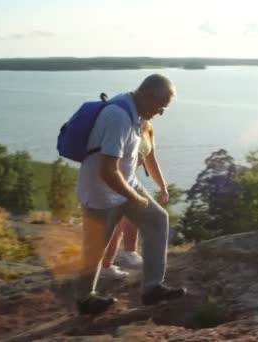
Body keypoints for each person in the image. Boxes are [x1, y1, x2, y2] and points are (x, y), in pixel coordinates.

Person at [76, 74, 186, 315]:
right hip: (101, 193)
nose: (161, 112)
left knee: (157, 220)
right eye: (161, 106)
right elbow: (107, 171)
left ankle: (152, 289)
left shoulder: (135, 111)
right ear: (147, 96)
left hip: (126, 184)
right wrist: (134, 197)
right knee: (96, 248)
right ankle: (85, 300)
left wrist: (138, 191)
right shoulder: (117, 117)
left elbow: (136, 158)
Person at [100, 120, 168, 280]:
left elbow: (151, 160)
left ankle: (127, 253)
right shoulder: (125, 124)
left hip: (129, 179)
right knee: (115, 225)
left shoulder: (148, 128)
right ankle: (105, 266)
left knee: (132, 219)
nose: (158, 113)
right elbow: (109, 155)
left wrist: (162, 186)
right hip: (113, 180)